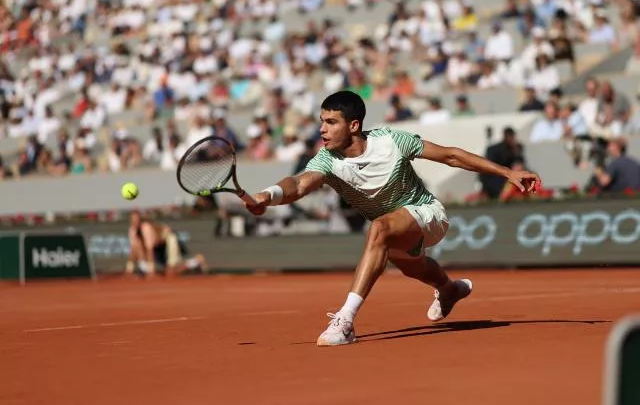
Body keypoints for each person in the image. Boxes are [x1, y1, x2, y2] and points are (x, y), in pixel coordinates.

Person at [244, 91, 541, 346]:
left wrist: (508, 173)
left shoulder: (391, 140)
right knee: (413, 266)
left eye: (331, 122)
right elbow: (298, 184)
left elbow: (450, 156)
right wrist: (268, 196)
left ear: (354, 125)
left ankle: (345, 321)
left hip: (428, 213)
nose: (322, 129)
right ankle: (449, 289)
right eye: (321, 121)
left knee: (379, 228)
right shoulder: (326, 160)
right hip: (398, 227)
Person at [125, 211, 207, 277]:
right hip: (159, 246)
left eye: (136, 219)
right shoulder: (132, 230)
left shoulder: (146, 228)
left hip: (170, 239)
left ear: (140, 220)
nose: (134, 221)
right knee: (165, 270)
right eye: (132, 219)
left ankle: (197, 261)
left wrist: (151, 270)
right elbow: (133, 250)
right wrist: (129, 269)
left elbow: (149, 250)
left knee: (171, 272)